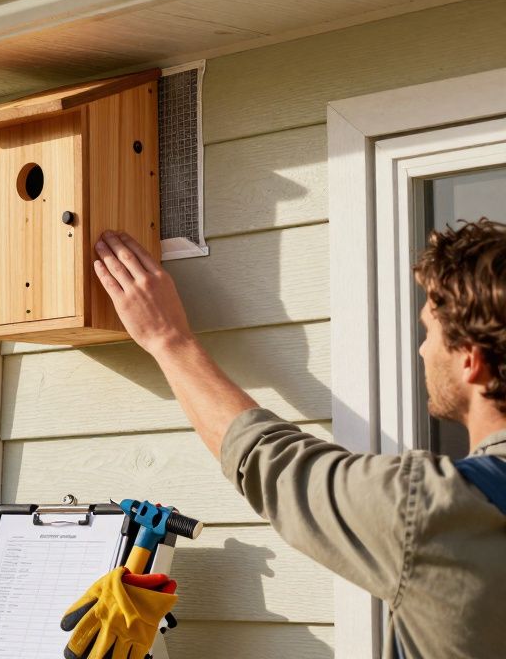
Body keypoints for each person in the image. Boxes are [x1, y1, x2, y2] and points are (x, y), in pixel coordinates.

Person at [90, 219, 506, 659]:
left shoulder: (442, 509)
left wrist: (167, 339)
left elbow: (269, 460)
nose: (422, 350)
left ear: (470, 361)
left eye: (429, 332)